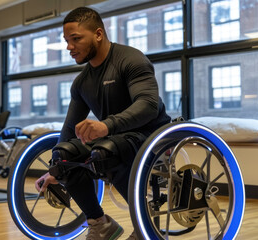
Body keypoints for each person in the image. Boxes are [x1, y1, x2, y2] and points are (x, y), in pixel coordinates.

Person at [34, 7, 171, 240]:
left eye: (76, 39)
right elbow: (69, 129)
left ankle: (146, 225)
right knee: (64, 153)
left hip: (149, 135)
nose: (69, 47)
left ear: (98, 34)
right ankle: (100, 224)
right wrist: (55, 168)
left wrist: (106, 125)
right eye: (67, 40)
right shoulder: (81, 82)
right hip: (114, 137)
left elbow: (148, 105)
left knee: (104, 150)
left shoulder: (131, 59)